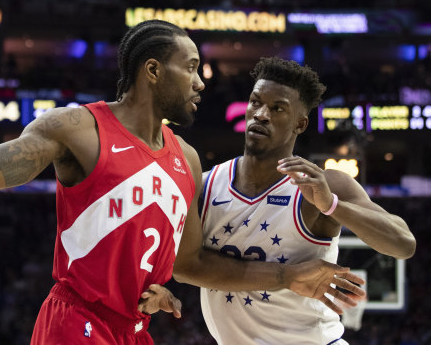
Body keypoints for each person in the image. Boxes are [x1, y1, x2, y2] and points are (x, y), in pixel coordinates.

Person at [0, 21, 364, 344]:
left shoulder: (189, 159)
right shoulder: (77, 128)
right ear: (153, 71)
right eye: (192, 67)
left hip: (132, 327)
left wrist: (288, 275)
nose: (204, 80)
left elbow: (191, 263)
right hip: (75, 320)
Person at [173, 57, 416, 344]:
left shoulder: (326, 185)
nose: (261, 114)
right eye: (255, 102)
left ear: (300, 124)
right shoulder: (205, 185)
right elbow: (186, 266)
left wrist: (333, 206)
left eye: (277, 108)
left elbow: (403, 244)